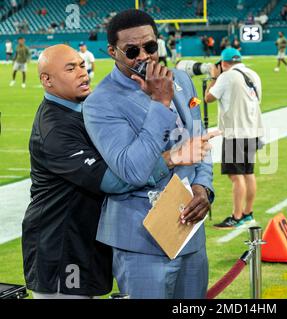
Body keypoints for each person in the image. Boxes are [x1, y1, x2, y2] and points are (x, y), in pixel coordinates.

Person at [82, 9, 217, 299]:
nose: (143, 56)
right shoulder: (99, 103)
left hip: (190, 231)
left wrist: (202, 187)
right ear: (112, 52)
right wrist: (160, 102)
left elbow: (200, 143)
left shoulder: (181, 79)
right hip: (141, 241)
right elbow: (132, 169)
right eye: (132, 50)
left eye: (150, 47)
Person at [22, 44, 160, 299]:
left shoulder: (85, 110)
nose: (82, 73)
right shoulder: (54, 130)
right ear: (47, 80)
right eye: (71, 68)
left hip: (87, 239)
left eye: (82, 65)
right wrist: (167, 160)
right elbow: (114, 181)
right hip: (62, 247)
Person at [205, 48, 263, 229]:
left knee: (236, 177)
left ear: (223, 63)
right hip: (252, 130)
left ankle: (236, 217)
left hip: (235, 133)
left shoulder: (226, 76)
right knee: (248, 173)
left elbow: (208, 98)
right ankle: (248, 213)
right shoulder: (253, 74)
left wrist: (214, 77)